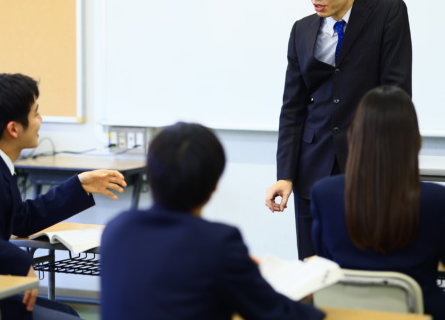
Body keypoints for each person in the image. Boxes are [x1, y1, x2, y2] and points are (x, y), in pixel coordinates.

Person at [0, 73, 127, 320]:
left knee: (67, 312)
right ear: (13, 129)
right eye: (35, 113)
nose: (41, 120)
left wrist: (79, 186)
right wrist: (19, 262)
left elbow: (21, 219)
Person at [265, 0, 413, 259]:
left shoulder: (388, 13)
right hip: (311, 169)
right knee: (312, 268)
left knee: (365, 268)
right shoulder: (301, 30)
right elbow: (293, 108)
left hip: (369, 168)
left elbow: (396, 94)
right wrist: (285, 174)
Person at [101, 122, 325, 320]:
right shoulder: (217, 243)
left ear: (150, 173)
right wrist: (307, 296)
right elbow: (276, 313)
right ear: (215, 185)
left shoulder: (117, 229)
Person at [311, 86, 445, 320]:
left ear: (354, 134)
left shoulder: (324, 193)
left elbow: (324, 259)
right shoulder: (435, 200)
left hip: (348, 316)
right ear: (413, 140)